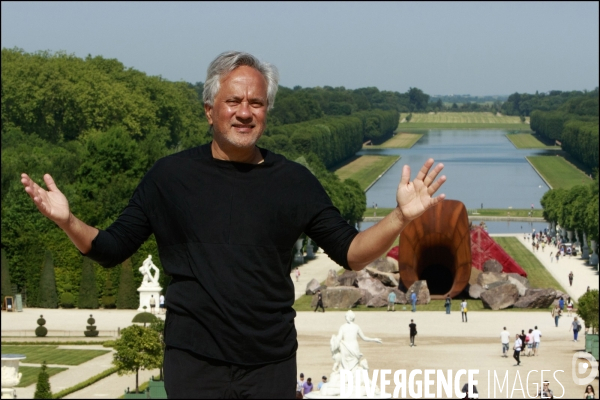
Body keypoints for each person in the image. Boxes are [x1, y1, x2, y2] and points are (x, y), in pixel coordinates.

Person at [20, 51, 446, 398]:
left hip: (270, 363)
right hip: (195, 362)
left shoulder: (294, 181)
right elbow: (111, 249)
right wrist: (68, 220)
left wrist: (400, 218)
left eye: (256, 103)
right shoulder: (169, 178)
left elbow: (350, 251)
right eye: (234, 101)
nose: (245, 112)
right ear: (210, 110)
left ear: (267, 112)